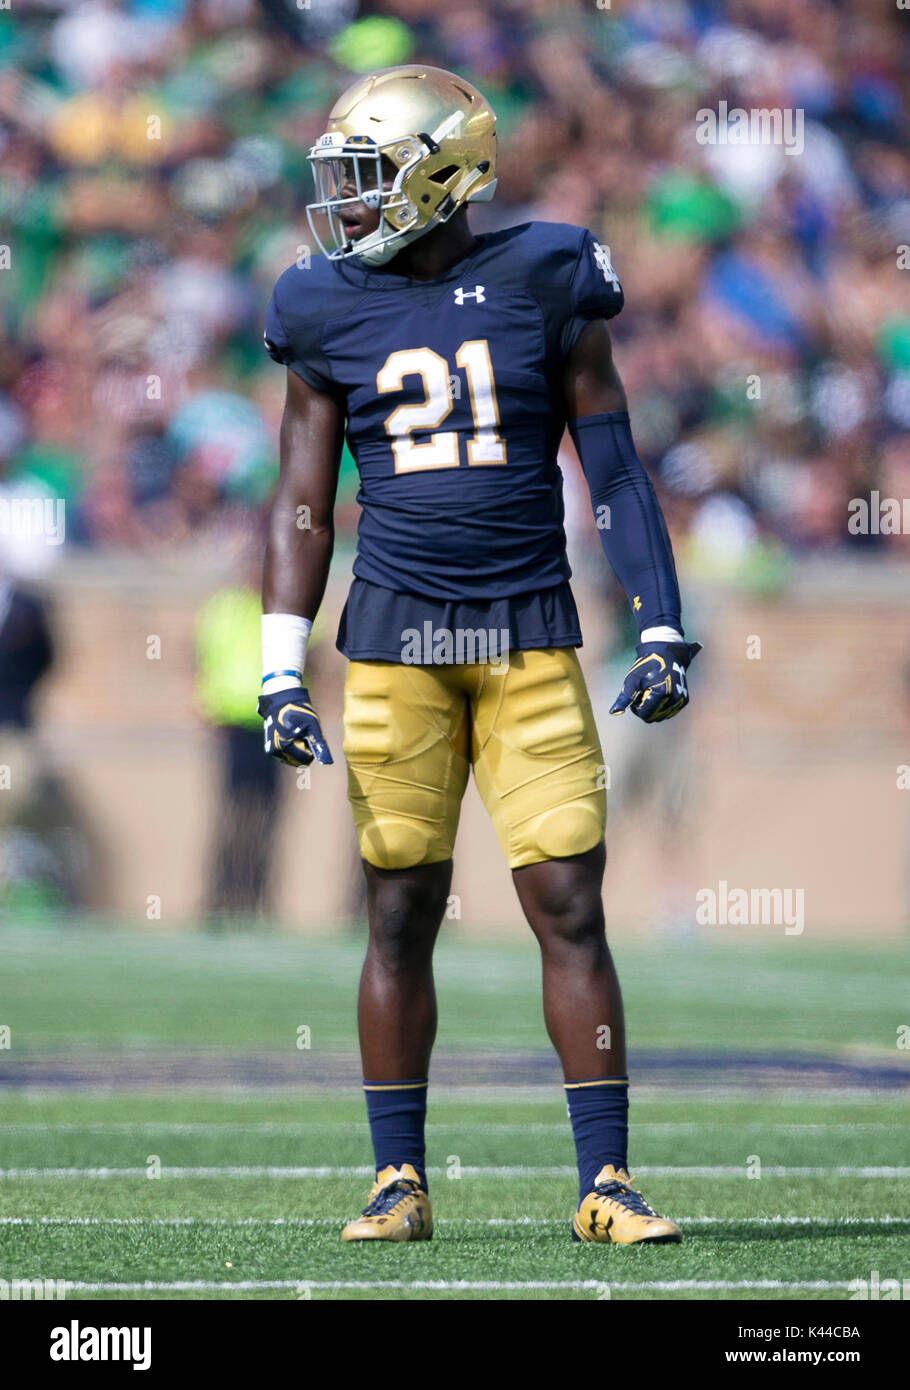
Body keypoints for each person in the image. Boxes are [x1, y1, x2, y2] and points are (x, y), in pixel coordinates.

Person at [258, 65, 700, 1245]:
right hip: (395, 643)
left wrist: (659, 616)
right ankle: (396, 1179)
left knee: (568, 902)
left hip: (527, 634)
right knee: (397, 914)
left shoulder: (549, 272)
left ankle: (603, 1181)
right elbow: (302, 498)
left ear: (442, 174)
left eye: (369, 180)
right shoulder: (317, 303)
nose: (346, 208)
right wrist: (274, 658)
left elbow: (610, 465)